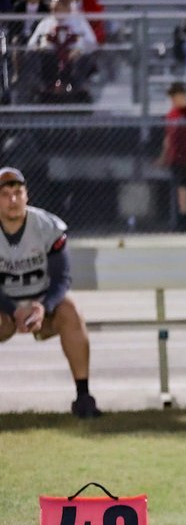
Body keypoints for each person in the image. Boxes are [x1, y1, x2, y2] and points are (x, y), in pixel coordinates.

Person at [0, 166, 100, 418]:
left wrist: (43, 306)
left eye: (17, 192)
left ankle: (83, 396)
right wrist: (13, 310)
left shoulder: (46, 226)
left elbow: (62, 277)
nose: (13, 200)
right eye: (5, 194)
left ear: (27, 195)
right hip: (4, 309)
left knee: (71, 311)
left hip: (42, 306)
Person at [26, 0, 97, 97]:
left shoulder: (79, 22)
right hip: (49, 58)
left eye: (58, 9)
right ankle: (45, 88)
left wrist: (80, 50)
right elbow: (31, 44)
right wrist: (38, 48)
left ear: (67, 8)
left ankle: (77, 89)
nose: (54, 12)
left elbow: (92, 42)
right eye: (53, 9)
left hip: (73, 58)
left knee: (83, 59)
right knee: (33, 56)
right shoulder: (45, 23)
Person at [160, 82, 186, 232]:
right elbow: (168, 138)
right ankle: (181, 217)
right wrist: (163, 157)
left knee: (185, 188)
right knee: (179, 189)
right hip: (175, 157)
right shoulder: (172, 113)